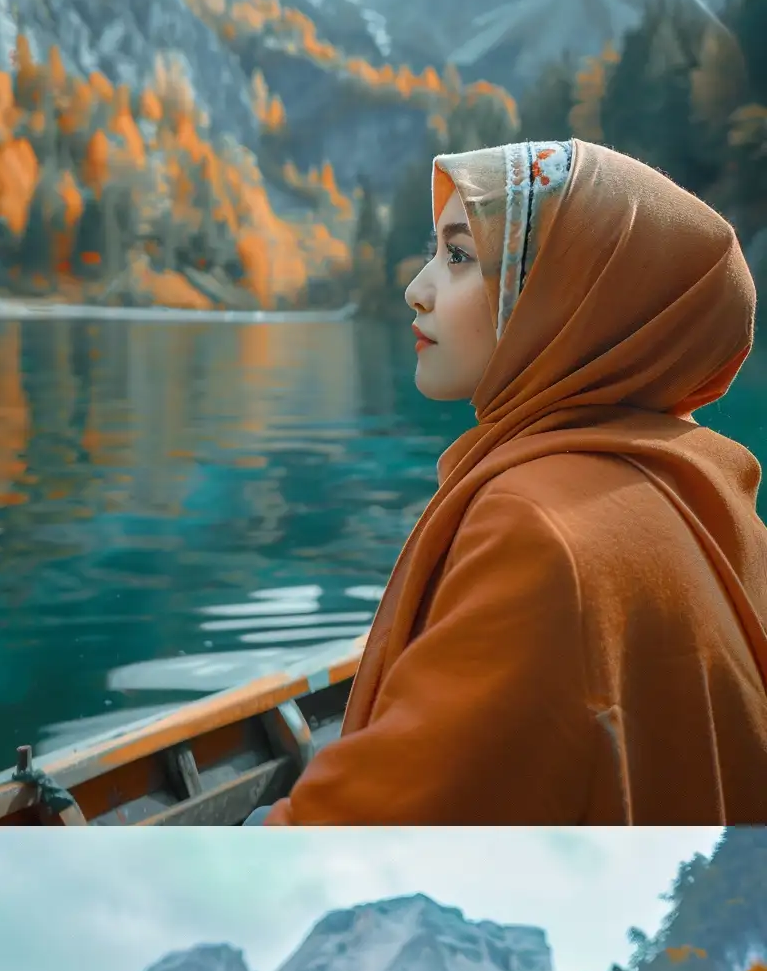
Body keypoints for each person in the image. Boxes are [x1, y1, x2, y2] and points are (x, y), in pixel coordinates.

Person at [267, 140, 767, 823]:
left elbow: (363, 833)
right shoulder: (715, 499)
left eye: (459, 256)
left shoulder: (535, 532)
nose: (417, 289)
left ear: (568, 298)